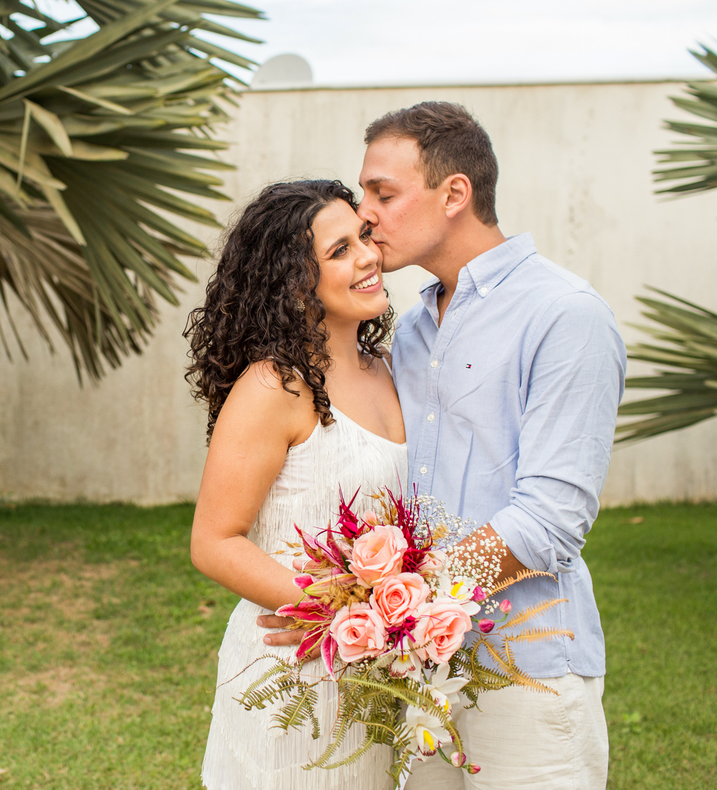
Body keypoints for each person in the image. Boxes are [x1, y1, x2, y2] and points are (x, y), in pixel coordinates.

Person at [261, 102, 626, 789]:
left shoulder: (565, 315)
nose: (363, 213)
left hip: (529, 669)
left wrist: (377, 599)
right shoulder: (414, 330)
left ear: (455, 193)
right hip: (417, 673)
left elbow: (552, 518)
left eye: (383, 193)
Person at [186, 179, 409, 790]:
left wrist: (394, 620)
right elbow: (214, 540)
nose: (368, 256)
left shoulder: (389, 371)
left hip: (379, 667)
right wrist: (332, 613)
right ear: (292, 282)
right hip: (293, 670)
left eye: (364, 235)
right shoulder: (273, 387)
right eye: (339, 251)